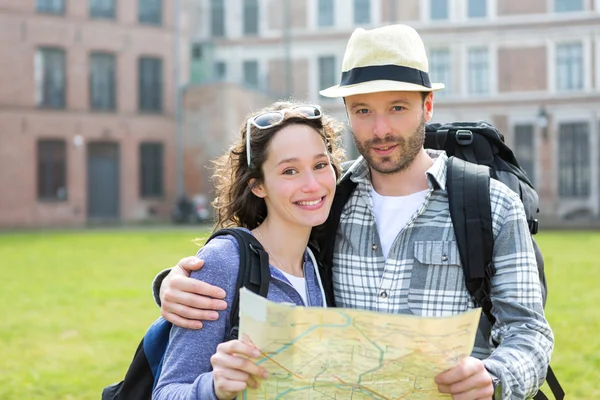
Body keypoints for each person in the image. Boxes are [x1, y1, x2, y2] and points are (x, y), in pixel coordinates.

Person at [154, 25, 553, 399]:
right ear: (347, 112)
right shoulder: (330, 198)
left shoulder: (490, 203)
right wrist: (173, 285)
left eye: (397, 108)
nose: (380, 130)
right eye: (363, 111)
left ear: (427, 106)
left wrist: (495, 378)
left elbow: (529, 333)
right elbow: (256, 254)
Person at [152, 101, 345, 400]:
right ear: (258, 186)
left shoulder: (321, 261)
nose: (312, 184)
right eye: (290, 171)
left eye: (320, 165)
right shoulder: (224, 262)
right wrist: (214, 387)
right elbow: (166, 392)